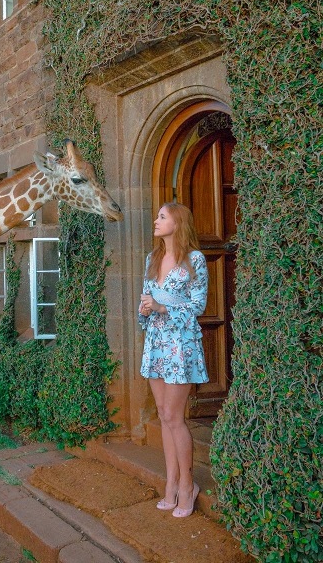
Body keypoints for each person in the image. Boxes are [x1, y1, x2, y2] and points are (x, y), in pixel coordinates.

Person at [138, 202, 208, 518]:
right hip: (155, 343)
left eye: (162, 217)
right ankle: (171, 483)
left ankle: (187, 485)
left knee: (174, 416)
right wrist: (145, 309)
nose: (156, 220)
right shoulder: (152, 259)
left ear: (177, 223)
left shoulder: (195, 260)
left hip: (181, 345)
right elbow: (146, 299)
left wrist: (163, 307)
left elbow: (198, 306)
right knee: (164, 415)